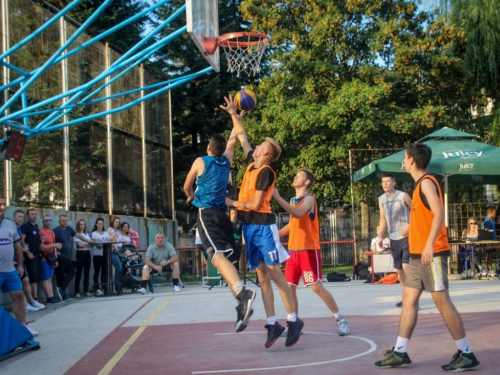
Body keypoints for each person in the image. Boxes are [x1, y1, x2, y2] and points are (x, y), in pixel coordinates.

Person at [374, 143, 480, 372]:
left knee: (442, 301)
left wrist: (430, 243)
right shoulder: (416, 186)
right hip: (416, 255)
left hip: (431, 254)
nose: (403, 160)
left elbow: (439, 211)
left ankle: (466, 353)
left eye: (405, 157)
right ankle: (400, 351)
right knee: (409, 300)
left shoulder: (427, 182)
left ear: (411, 160)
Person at [221, 94, 303, 348]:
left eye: (260, 147)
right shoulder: (250, 165)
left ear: (265, 153)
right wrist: (234, 114)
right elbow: (242, 136)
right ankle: (272, 323)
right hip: (248, 227)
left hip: (263, 226)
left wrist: (231, 203)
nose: (254, 147)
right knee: (262, 277)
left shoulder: (266, 172)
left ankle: (293, 320)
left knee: (276, 274)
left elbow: (256, 204)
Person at [183, 105, 256, 335]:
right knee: (228, 264)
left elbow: (186, 185)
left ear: (207, 148)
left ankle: (243, 294)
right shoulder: (227, 161)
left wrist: (190, 196)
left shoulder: (200, 161)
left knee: (216, 257)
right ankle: (240, 304)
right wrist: (236, 118)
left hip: (207, 214)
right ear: (221, 149)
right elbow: (233, 141)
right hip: (224, 216)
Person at [273, 168, 349, 337]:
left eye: (299, 175)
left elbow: (299, 214)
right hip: (293, 251)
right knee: (289, 288)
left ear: (307, 182)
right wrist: (276, 234)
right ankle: (294, 323)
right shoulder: (293, 199)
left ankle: (341, 319)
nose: (295, 176)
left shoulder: (310, 199)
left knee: (316, 287)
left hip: (308, 250)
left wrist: (277, 198)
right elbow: (293, 224)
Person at [0, 195, 39, 336]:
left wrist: (21, 265)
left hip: (10, 270)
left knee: (19, 296)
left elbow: (17, 245)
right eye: (0, 204)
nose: (2, 207)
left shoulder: (10, 224)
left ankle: (23, 327)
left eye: (4, 204)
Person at [377, 173, 412, 307]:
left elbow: (415, 210)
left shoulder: (403, 196)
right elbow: (382, 219)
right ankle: (407, 297)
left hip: (406, 236)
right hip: (393, 237)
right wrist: (380, 235)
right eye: (383, 182)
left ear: (394, 183)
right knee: (399, 270)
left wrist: (409, 226)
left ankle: (413, 298)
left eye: (387, 181)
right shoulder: (381, 199)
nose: (385, 184)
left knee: (406, 266)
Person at [12, 209, 45, 312]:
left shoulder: (20, 229)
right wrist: (27, 252)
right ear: (14, 218)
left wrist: (24, 249)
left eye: (21, 217)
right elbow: (21, 242)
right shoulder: (16, 228)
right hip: (10, 261)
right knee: (21, 282)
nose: (20, 219)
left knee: (26, 280)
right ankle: (25, 304)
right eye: (19, 217)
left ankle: (31, 301)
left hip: (19, 260)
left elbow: (21, 243)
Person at [53, 214, 81, 300]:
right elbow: (52, 242)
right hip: (60, 257)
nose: (65, 222)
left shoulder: (69, 229)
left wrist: (88, 240)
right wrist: (55, 252)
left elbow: (77, 235)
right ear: (59, 222)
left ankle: (61, 290)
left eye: (66, 221)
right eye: (63, 221)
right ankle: (61, 294)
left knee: (72, 272)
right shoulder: (56, 231)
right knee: (60, 276)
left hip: (67, 257)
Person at [38, 215, 63, 304]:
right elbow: (41, 247)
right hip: (44, 258)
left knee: (50, 278)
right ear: (42, 222)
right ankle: (49, 297)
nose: (48, 222)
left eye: (49, 220)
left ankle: (52, 296)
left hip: (51, 258)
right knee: (45, 278)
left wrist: (55, 258)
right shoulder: (41, 232)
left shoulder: (52, 232)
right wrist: (54, 245)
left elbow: (54, 246)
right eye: (46, 220)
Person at [20, 208, 42, 304]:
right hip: (29, 256)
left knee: (36, 277)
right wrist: (28, 253)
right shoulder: (25, 226)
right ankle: (33, 299)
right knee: (32, 278)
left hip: (37, 255)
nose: (34, 216)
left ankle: (35, 298)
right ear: (27, 216)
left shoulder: (36, 227)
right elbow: (21, 240)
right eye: (32, 214)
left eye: (35, 214)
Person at [74, 219, 93, 298]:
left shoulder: (86, 234)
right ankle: (77, 291)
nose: (82, 226)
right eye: (81, 224)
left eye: (83, 224)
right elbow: (79, 245)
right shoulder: (77, 234)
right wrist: (87, 244)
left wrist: (86, 244)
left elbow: (90, 244)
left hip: (87, 253)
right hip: (80, 253)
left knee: (87, 272)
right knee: (79, 272)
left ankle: (86, 290)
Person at [90, 218, 109, 296]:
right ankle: (97, 288)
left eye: (102, 224)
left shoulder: (106, 233)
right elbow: (97, 244)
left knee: (104, 272)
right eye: (99, 224)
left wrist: (102, 244)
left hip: (105, 254)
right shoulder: (94, 233)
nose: (101, 225)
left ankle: (104, 287)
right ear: (96, 224)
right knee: (97, 271)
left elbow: (108, 242)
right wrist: (103, 244)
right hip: (97, 254)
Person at [107, 215, 123, 292]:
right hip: (113, 251)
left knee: (122, 267)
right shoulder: (110, 230)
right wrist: (114, 245)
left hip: (119, 251)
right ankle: (115, 286)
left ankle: (119, 285)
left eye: (118, 222)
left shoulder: (118, 231)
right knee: (118, 267)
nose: (117, 223)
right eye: (116, 222)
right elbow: (109, 240)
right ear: (113, 222)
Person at [483, 205, 497, 275]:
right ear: (490, 212)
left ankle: (490, 268)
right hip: (490, 240)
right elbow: (487, 230)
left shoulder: (492, 220)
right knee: (489, 255)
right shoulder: (487, 220)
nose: (495, 214)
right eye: (494, 212)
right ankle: (489, 269)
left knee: (491, 255)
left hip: (494, 240)